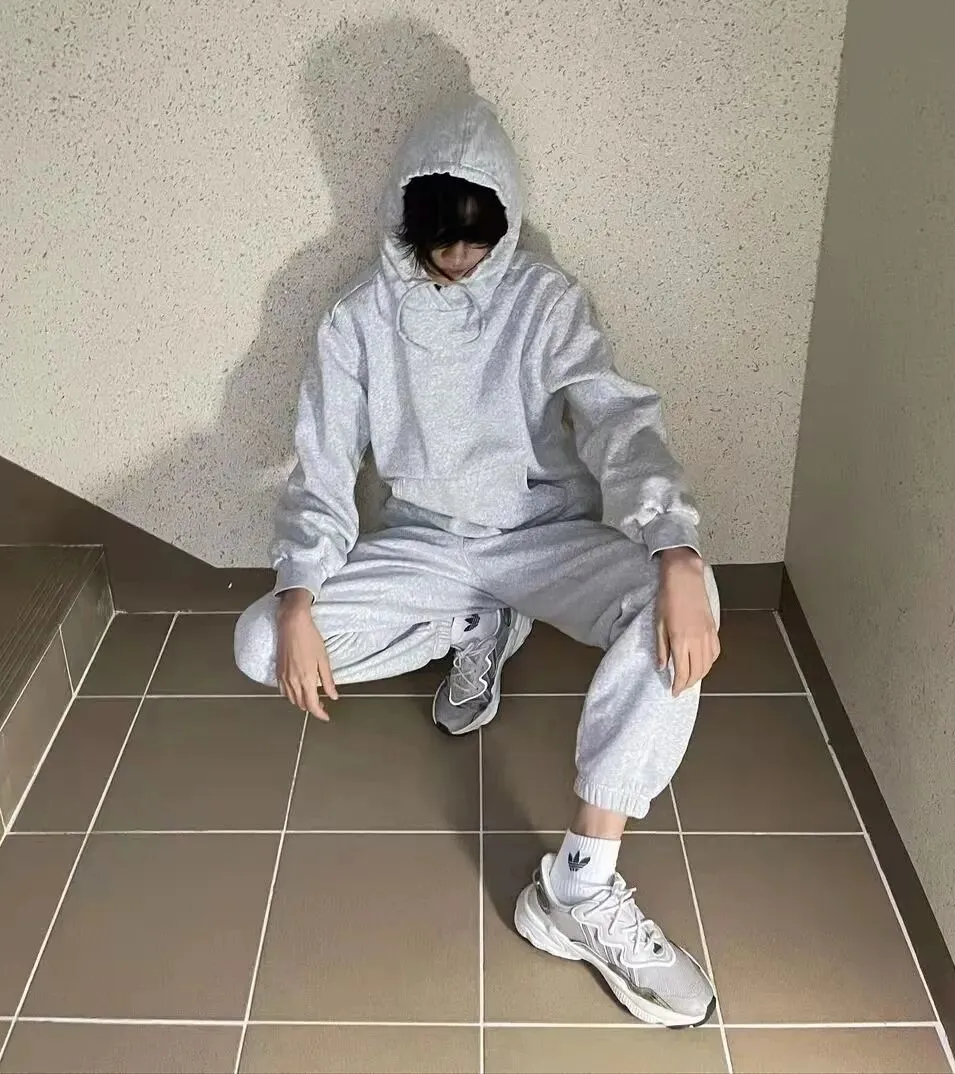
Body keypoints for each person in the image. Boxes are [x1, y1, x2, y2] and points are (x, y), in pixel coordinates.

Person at [234, 94, 721, 1028]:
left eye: (477, 240)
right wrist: (297, 594)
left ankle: (580, 887)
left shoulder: (547, 299)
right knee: (260, 642)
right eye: (440, 241)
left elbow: (619, 422)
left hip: (543, 539)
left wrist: (675, 545)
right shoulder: (357, 319)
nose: (458, 260)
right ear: (405, 220)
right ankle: (473, 623)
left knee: (685, 598)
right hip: (424, 543)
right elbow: (322, 465)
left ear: (507, 217)